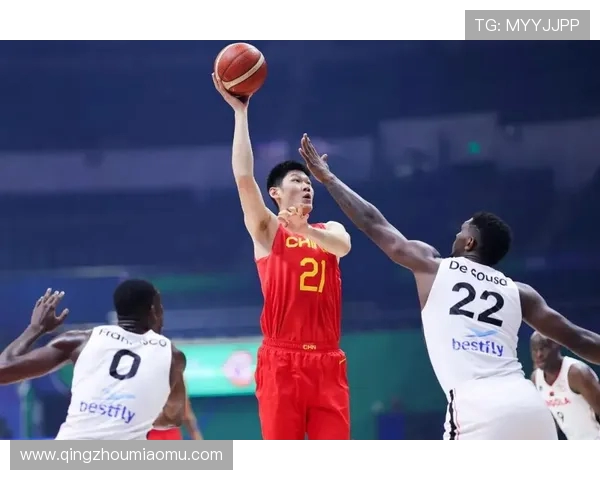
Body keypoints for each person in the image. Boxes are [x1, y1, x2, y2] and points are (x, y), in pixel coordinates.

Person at [299, 132, 600, 440]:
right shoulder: (520, 292)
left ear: (470, 243)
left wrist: (329, 179)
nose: (456, 235)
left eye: (462, 231)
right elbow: (580, 339)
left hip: (476, 408)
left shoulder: (433, 266)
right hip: (531, 407)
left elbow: (373, 222)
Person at [212, 75, 352, 440]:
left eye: (308, 182)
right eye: (296, 180)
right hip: (282, 361)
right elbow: (244, 177)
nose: (306, 186)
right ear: (275, 192)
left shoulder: (328, 229)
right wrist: (240, 113)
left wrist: (307, 231)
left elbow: (343, 246)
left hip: (327, 361)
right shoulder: (269, 230)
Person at [0, 281, 187, 440]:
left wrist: (35, 328)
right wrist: (134, 416)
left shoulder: (80, 340)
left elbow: (3, 370)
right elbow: (174, 416)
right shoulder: (172, 356)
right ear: (154, 311)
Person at [530, 331, 600, 439]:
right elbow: (553, 419)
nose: (539, 354)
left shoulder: (577, 373)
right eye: (535, 350)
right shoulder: (536, 378)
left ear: (557, 345)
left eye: (543, 348)